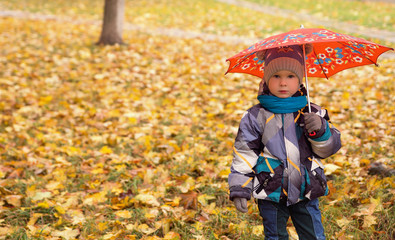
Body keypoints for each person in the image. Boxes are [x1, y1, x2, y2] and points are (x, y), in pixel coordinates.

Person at [228, 44, 341, 240]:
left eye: (290, 76)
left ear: (300, 79)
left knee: (314, 235)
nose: (283, 83)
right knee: (275, 236)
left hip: (306, 188)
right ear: (265, 79)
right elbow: (244, 153)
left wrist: (321, 130)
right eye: (276, 76)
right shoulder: (256, 116)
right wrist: (240, 188)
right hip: (271, 188)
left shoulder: (311, 112)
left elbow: (328, 149)